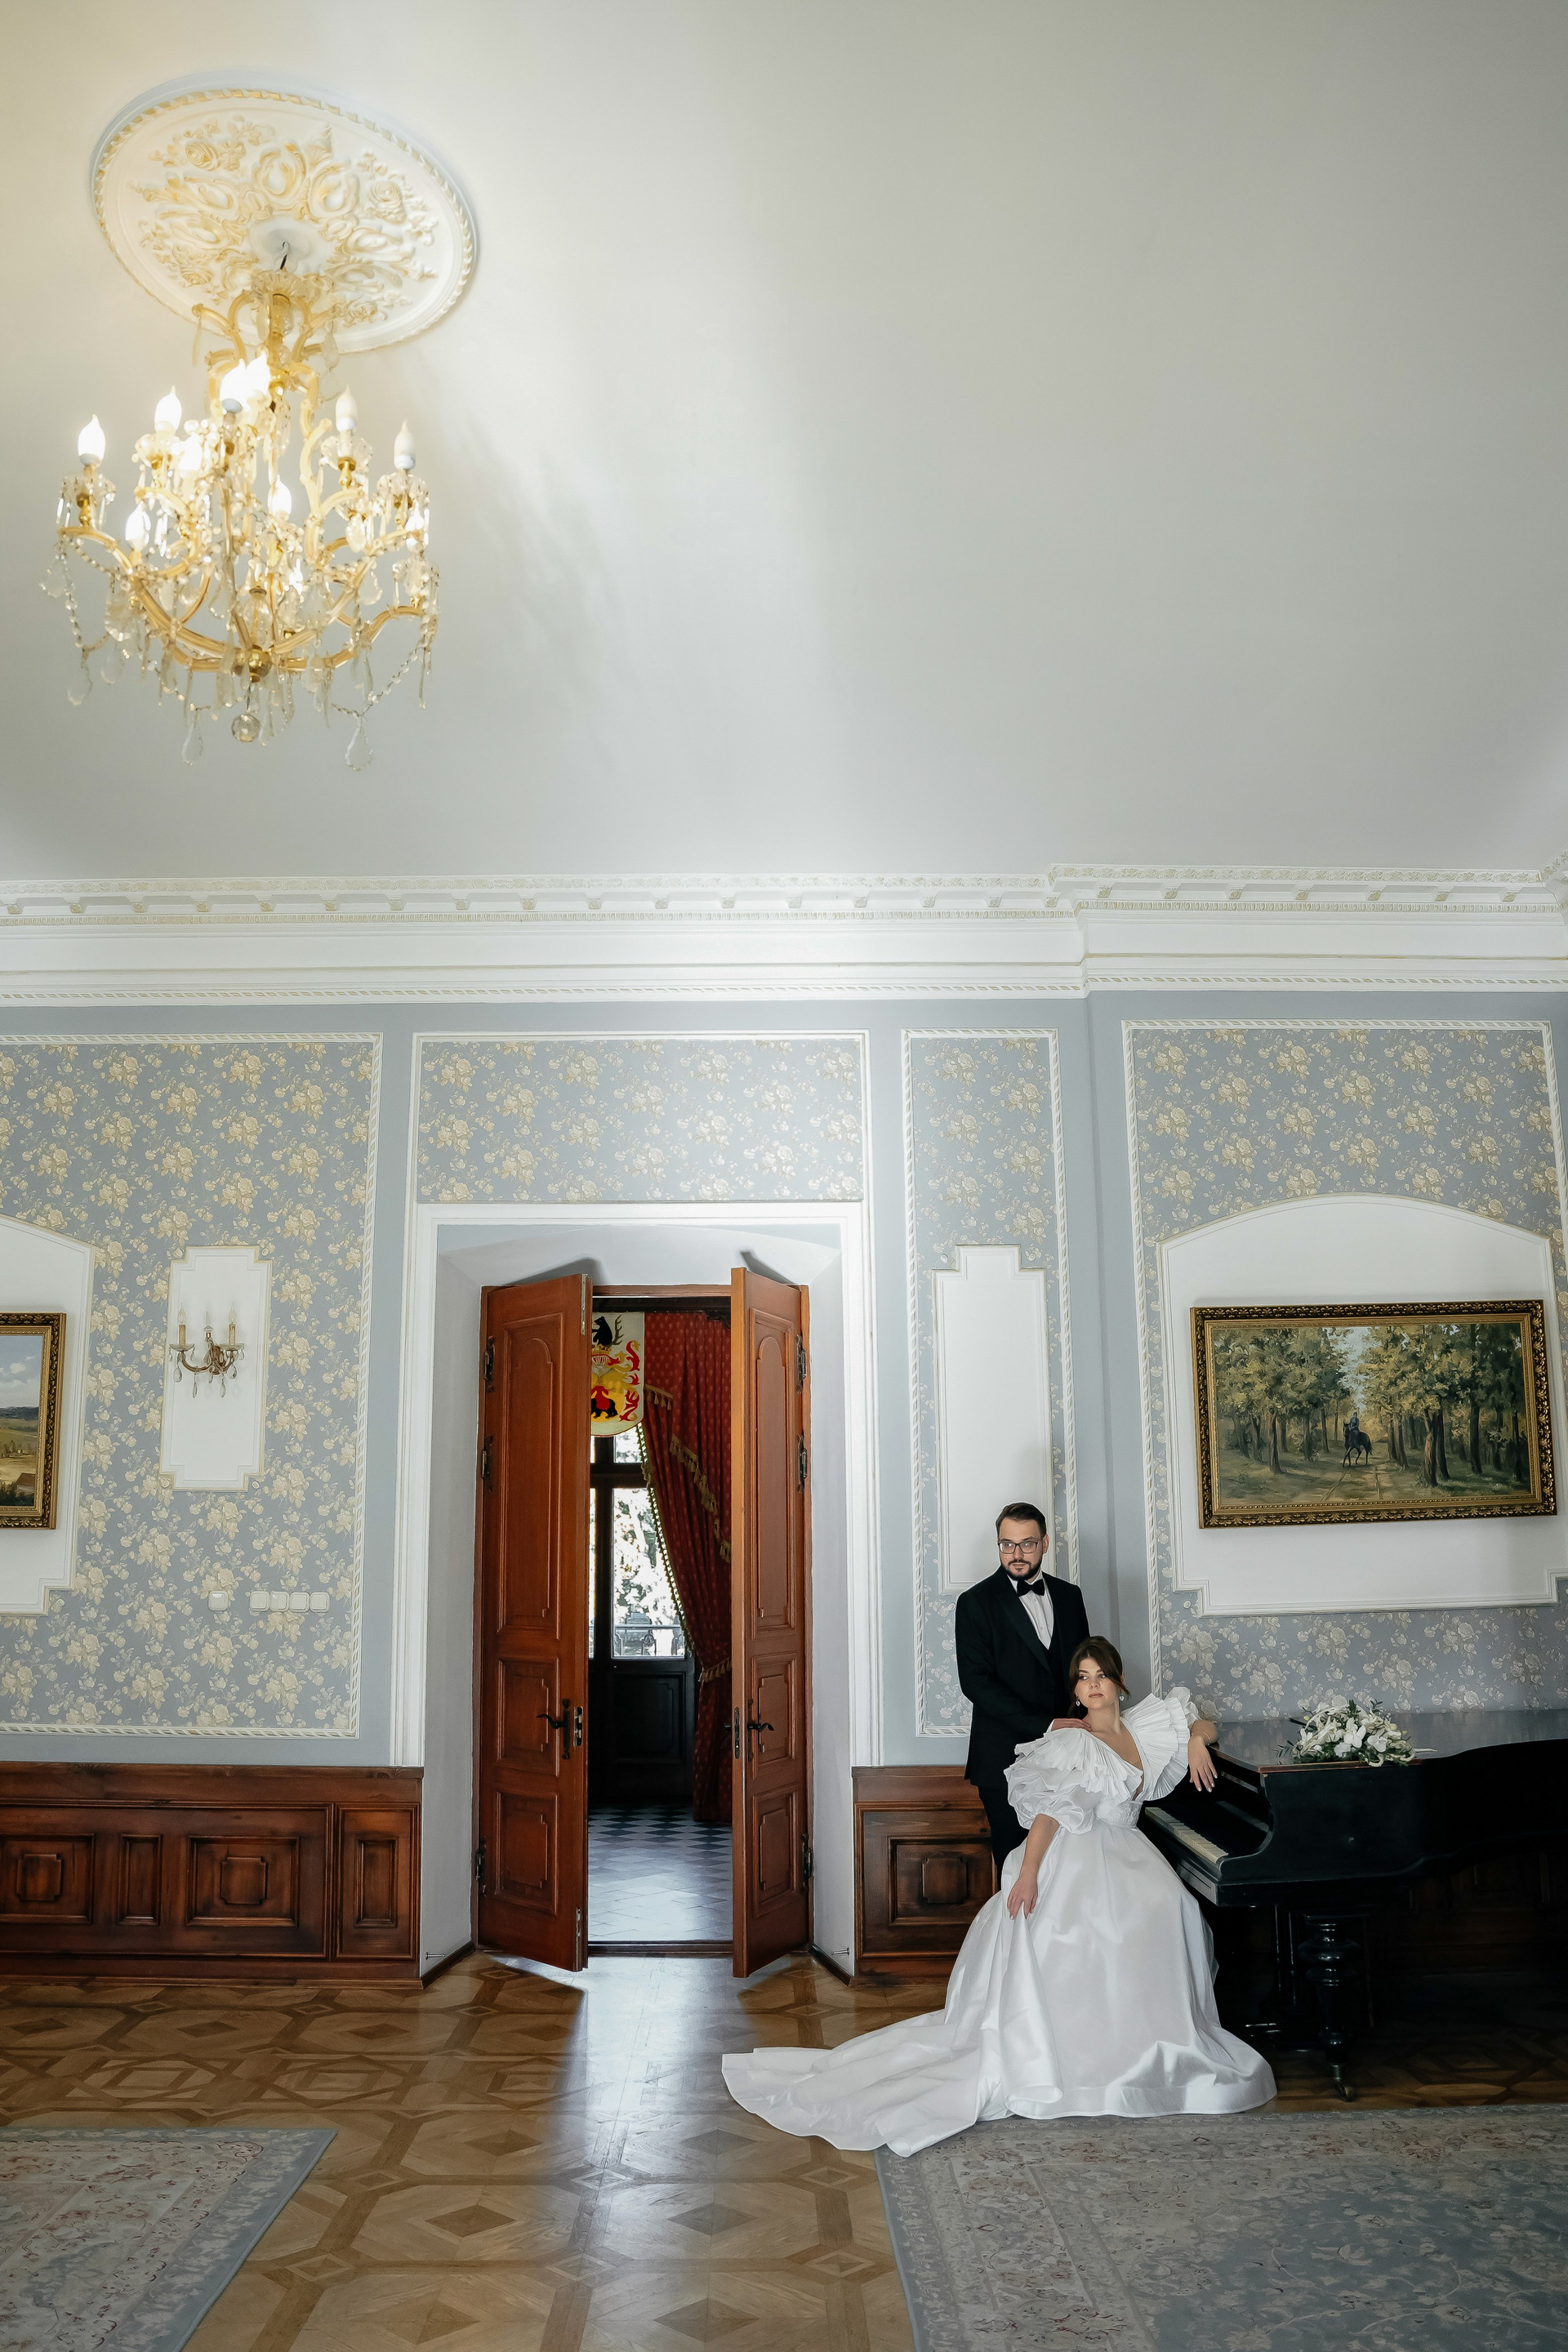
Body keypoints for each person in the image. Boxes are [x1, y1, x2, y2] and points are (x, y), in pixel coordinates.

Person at [723, 1637, 1276, 2154]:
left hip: (1128, 1850)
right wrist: (1029, 1874)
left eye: (1101, 1675)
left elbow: (1199, 1719)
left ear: (1119, 1681)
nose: (1092, 1685)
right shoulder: (1073, 1741)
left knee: (1173, 1907)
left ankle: (1151, 2045)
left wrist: (1197, 1740)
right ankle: (1086, 2055)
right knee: (1090, 1929)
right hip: (1077, 1853)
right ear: (1075, 1689)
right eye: (1082, 1678)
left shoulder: (1142, 1729)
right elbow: (1050, 1815)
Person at [954, 1502, 1089, 1870]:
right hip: (1002, 1758)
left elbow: (1084, 1669)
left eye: (1027, 1544)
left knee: (1067, 1866)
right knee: (1015, 1867)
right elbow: (976, 1684)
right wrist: (1046, 1725)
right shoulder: (974, 1603)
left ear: (1044, 1543)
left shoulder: (1070, 1596)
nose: (1016, 1554)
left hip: (1067, 1757)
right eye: (1007, 1544)